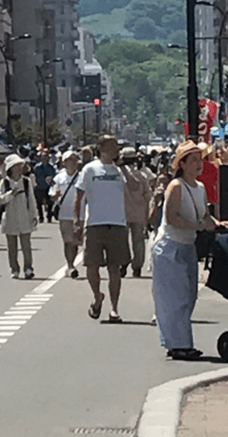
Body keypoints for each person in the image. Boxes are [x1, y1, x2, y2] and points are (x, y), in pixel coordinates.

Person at [152, 141, 227, 360]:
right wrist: (198, 227)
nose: (198, 164)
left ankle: (181, 342)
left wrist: (217, 224)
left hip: (187, 246)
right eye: (192, 160)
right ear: (182, 164)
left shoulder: (200, 187)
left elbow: (204, 216)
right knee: (174, 297)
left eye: (199, 159)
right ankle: (179, 345)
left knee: (189, 295)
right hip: (170, 247)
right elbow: (172, 218)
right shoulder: (176, 186)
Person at [73, 135, 131, 323]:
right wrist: (77, 220)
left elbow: (134, 188)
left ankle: (114, 308)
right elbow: (79, 196)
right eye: (113, 146)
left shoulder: (119, 170)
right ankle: (97, 296)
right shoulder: (90, 169)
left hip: (117, 223)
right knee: (92, 265)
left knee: (115, 267)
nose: (117, 150)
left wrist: (124, 168)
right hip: (95, 223)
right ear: (102, 147)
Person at [0, 154, 38, 279]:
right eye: (16, 166)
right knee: (12, 246)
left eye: (20, 165)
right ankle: (14, 269)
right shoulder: (4, 182)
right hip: (10, 216)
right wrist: (10, 194)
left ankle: (28, 268)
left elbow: (31, 200)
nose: (19, 168)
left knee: (26, 245)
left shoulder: (26, 181)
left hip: (24, 215)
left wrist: (34, 215)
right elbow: (0, 199)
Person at [50, 151, 84, 278]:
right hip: (64, 214)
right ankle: (70, 265)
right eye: (69, 160)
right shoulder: (58, 178)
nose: (72, 162)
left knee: (76, 241)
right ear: (64, 163)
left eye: (74, 160)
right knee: (68, 241)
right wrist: (55, 195)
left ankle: (73, 262)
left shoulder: (82, 176)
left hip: (81, 214)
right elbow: (52, 193)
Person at [119, 147, 152, 278]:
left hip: (122, 212)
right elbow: (148, 196)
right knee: (138, 241)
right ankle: (137, 266)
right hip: (139, 212)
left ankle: (123, 262)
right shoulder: (142, 176)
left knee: (122, 240)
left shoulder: (119, 175)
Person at [33, 151, 56, 223]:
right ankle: (41, 217)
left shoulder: (51, 167)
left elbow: (54, 177)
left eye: (46, 156)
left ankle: (49, 217)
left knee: (50, 203)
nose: (44, 158)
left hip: (48, 187)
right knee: (39, 203)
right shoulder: (37, 167)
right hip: (39, 187)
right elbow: (34, 176)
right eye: (43, 156)